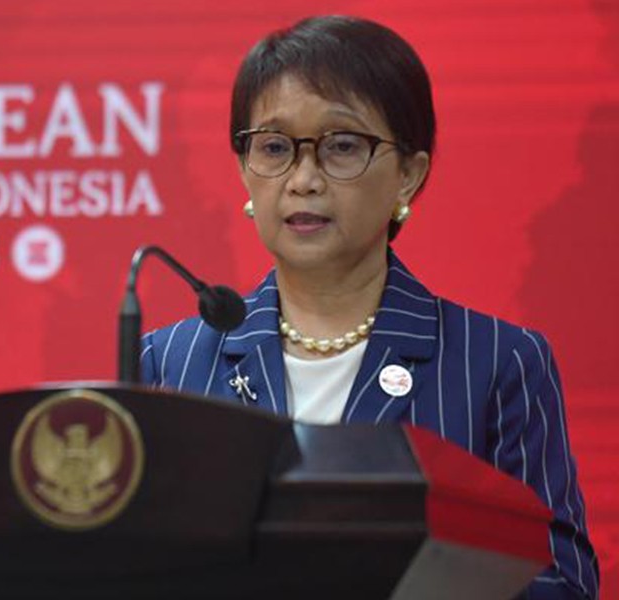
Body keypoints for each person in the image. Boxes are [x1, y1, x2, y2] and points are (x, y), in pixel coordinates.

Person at [140, 15, 598, 599]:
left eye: (342, 147)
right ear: (243, 168)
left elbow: (561, 583)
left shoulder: (498, 363)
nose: (304, 179)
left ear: (408, 174)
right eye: (275, 148)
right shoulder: (169, 362)